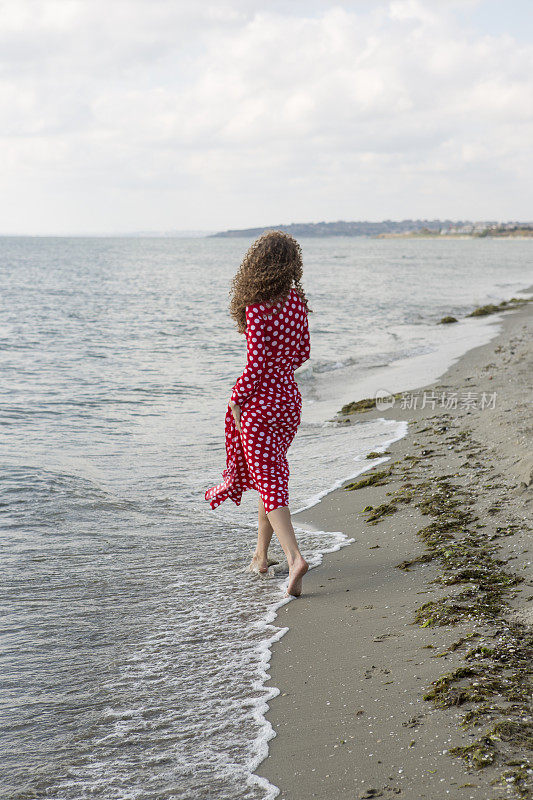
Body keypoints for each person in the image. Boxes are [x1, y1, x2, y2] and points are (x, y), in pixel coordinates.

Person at [205, 230, 311, 597]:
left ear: (256, 265)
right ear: (290, 264)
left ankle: (295, 558)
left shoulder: (257, 307)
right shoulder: (296, 302)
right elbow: (302, 354)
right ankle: (260, 556)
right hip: (288, 401)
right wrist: (279, 370)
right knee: (270, 479)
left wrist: (236, 397)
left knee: (270, 484)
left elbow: (254, 366)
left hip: (259, 406)